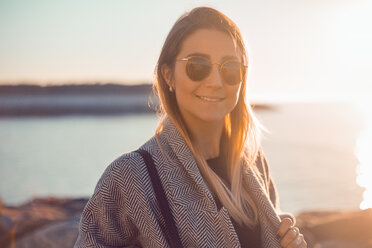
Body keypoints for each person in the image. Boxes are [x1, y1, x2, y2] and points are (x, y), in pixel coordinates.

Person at [74, 7, 307, 248]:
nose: (216, 82)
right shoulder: (129, 177)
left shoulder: (254, 163)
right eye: (198, 65)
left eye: (229, 68)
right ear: (168, 75)